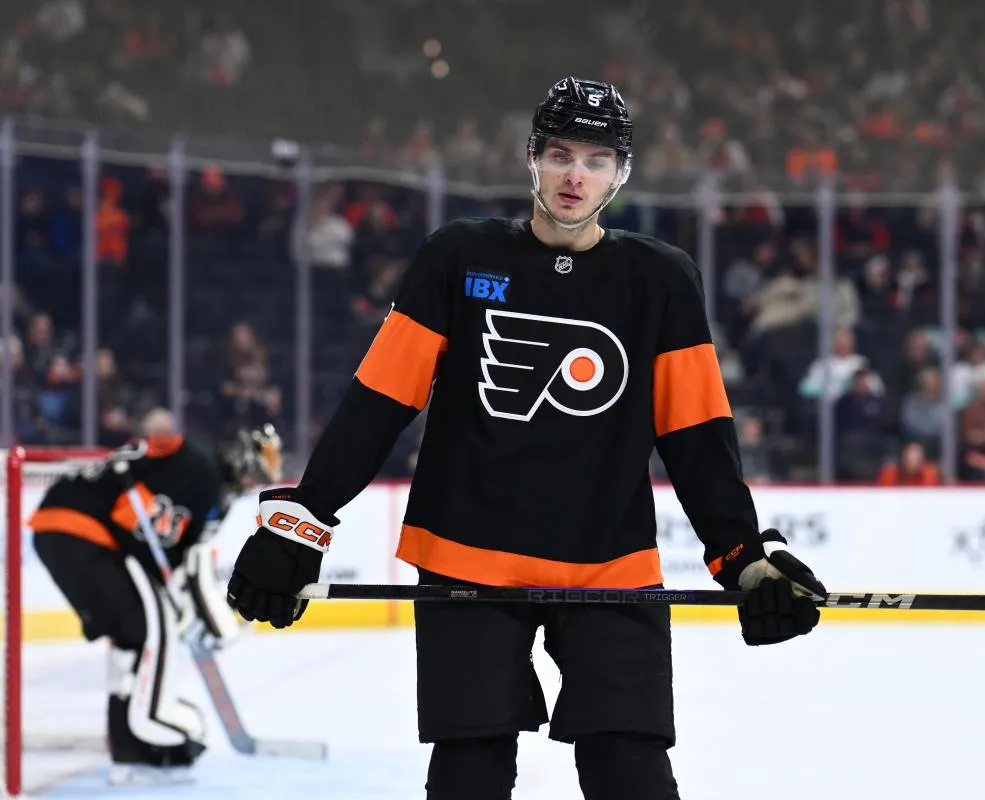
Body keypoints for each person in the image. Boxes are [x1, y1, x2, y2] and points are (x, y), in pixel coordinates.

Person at [226, 77, 825, 800]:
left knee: (631, 772)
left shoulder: (660, 281)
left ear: (622, 174)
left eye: (598, 159)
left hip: (609, 565)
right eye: (561, 154)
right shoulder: (459, 258)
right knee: (469, 774)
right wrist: (308, 514)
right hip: (467, 557)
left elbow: (695, 432)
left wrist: (742, 553)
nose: (577, 175)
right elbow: (381, 399)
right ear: (532, 158)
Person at [29, 410, 282, 785]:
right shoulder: (196, 465)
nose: (256, 479)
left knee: (133, 635)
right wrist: (218, 624)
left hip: (78, 532)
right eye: (259, 466)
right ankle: (141, 735)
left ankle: (128, 743)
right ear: (241, 455)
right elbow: (153, 447)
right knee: (145, 629)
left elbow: (180, 556)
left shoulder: (214, 496)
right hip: (80, 528)